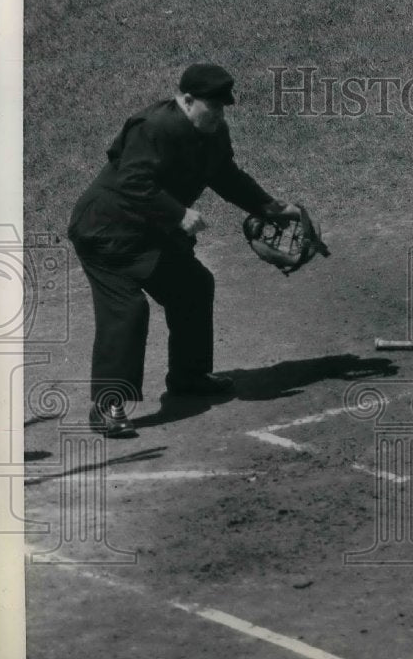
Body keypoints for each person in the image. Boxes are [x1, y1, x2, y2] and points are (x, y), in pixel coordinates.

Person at [68, 64, 305, 438]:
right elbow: (132, 182)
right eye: (213, 106)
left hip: (149, 231)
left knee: (193, 285)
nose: (220, 114)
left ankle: (189, 376)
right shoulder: (153, 127)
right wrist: (177, 214)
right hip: (105, 232)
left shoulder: (212, 131)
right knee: (127, 311)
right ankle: (107, 406)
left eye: (224, 107)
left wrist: (269, 207)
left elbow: (225, 175)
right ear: (187, 100)